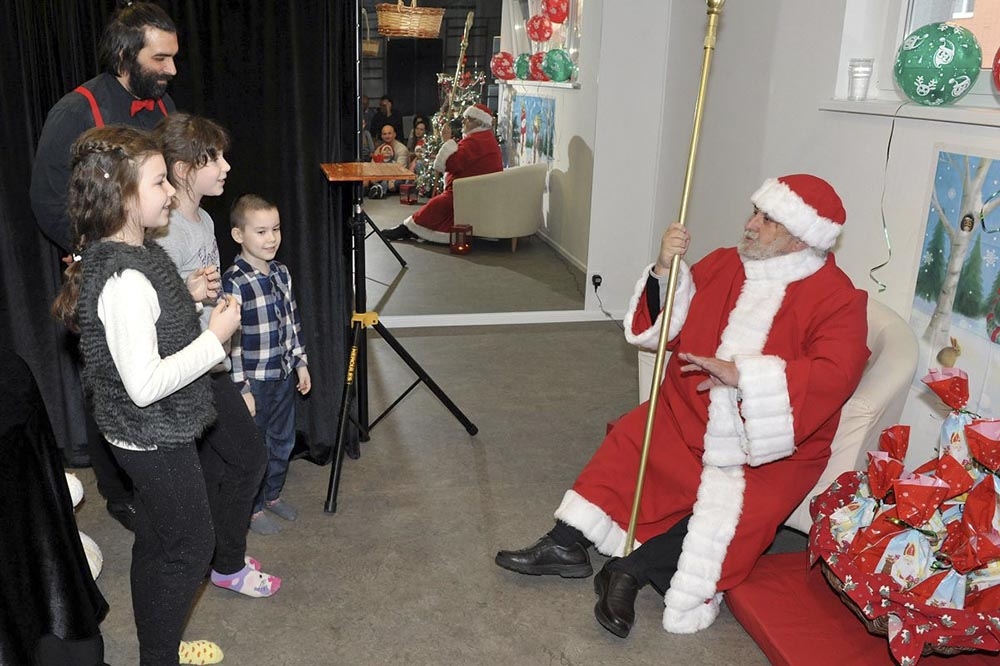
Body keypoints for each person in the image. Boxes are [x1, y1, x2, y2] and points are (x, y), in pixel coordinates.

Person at [495, 174, 870, 638]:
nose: (750, 224)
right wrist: (663, 268)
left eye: (766, 219)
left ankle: (628, 572)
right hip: (687, 411)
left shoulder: (838, 298)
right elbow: (667, 327)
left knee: (735, 514)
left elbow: (836, 373)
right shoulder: (725, 262)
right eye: (754, 212)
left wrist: (744, 375)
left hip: (768, 446)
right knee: (635, 436)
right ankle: (566, 542)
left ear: (799, 236)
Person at [51, 125, 235, 665]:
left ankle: (158, 648)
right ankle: (159, 657)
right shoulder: (124, 279)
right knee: (191, 547)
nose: (171, 192)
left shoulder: (137, 252)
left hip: (151, 431)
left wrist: (188, 296)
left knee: (157, 540)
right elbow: (146, 385)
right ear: (123, 196)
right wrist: (214, 339)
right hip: (152, 435)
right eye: (159, 182)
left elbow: (151, 327)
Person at [30, 1, 180, 531]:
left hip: (157, 263)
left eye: (173, 58)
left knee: (158, 372)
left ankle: (164, 474)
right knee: (113, 383)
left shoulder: (163, 106)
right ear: (124, 56)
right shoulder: (75, 111)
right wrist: (99, 252)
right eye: (160, 59)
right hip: (104, 273)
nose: (171, 70)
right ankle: (121, 493)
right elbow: (47, 200)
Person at [153, 113, 280, 597]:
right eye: (214, 158)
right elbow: (155, 315)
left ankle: (215, 556)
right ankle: (226, 563)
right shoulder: (165, 232)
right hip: (191, 369)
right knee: (249, 457)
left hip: (213, 361)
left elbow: (208, 294)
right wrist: (188, 296)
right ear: (184, 168)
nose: (226, 166)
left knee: (216, 466)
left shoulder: (204, 220)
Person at [224, 195, 311, 536]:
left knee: (283, 441)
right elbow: (231, 341)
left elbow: (292, 321)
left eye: (276, 229)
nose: (271, 238)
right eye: (261, 231)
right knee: (255, 447)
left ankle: (272, 494)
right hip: (256, 381)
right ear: (238, 235)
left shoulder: (281, 273)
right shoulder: (235, 281)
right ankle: (253, 507)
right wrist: (241, 388)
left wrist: (301, 362)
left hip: (283, 375)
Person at [382, 104, 502, 243]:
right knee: (438, 203)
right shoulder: (484, 138)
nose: (463, 121)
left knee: (437, 205)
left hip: (468, 191)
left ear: (478, 122)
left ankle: (409, 228)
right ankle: (409, 228)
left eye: (468, 118)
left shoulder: (476, 141)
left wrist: (447, 141)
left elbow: (452, 164)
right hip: (475, 188)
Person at [366, 124, 409, 199]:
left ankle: (378, 189)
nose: (387, 136)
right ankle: (378, 189)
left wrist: (384, 177)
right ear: (382, 136)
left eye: (389, 133)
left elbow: (400, 170)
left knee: (397, 182)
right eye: (384, 134)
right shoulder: (379, 149)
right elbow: (373, 166)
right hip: (383, 176)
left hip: (397, 177)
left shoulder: (402, 149)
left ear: (394, 134)